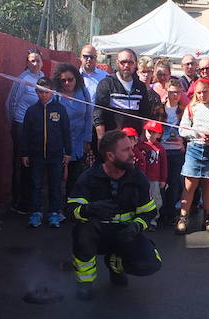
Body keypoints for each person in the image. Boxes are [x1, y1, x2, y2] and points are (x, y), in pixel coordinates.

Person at [66, 130, 161, 301]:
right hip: (98, 235)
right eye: (126, 150)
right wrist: (90, 209)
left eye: (131, 148)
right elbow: (71, 211)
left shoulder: (138, 178)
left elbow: (149, 212)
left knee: (150, 264)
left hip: (125, 234)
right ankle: (85, 283)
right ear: (110, 156)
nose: (133, 153)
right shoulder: (89, 178)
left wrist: (136, 226)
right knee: (83, 233)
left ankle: (115, 264)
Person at [22, 77, 71, 228]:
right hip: (36, 155)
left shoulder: (60, 110)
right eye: (40, 92)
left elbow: (66, 132)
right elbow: (25, 134)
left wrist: (68, 152)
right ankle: (36, 212)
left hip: (55, 156)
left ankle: (54, 213)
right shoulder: (31, 111)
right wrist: (24, 153)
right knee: (36, 185)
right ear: (36, 92)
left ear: (52, 92)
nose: (43, 95)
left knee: (55, 185)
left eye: (46, 92)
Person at [177, 78, 209, 234]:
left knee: (208, 184)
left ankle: (208, 217)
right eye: (199, 93)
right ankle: (183, 217)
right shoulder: (191, 107)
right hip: (194, 148)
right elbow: (182, 130)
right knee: (189, 185)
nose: (202, 95)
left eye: (205, 92)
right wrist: (196, 133)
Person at [5, 48, 43, 213]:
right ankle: (18, 202)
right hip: (20, 125)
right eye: (32, 60)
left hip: (36, 127)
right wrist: (13, 125)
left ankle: (30, 200)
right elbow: (10, 103)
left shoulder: (43, 78)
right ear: (27, 62)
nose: (35, 64)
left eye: (38, 60)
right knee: (20, 164)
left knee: (33, 163)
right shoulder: (22, 79)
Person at [93, 48, 151, 138]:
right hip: (113, 140)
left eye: (130, 62)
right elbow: (99, 113)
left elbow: (145, 114)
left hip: (134, 140)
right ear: (117, 63)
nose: (126, 65)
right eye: (123, 62)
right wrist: (101, 137)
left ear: (135, 64)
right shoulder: (107, 83)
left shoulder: (141, 86)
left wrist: (143, 137)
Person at [53, 64, 94, 193]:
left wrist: (87, 139)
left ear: (76, 78)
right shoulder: (55, 94)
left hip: (79, 141)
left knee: (75, 176)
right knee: (58, 177)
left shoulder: (83, 91)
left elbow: (89, 115)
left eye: (70, 79)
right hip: (60, 141)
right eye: (63, 80)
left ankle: (71, 206)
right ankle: (57, 207)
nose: (67, 83)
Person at [160, 78, 186, 227]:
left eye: (178, 92)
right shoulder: (159, 109)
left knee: (175, 182)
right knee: (161, 182)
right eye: (172, 92)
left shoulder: (184, 109)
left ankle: (170, 212)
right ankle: (162, 211)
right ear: (167, 92)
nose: (175, 95)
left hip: (177, 151)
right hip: (162, 149)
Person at [138, 120, 168, 231]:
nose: (150, 134)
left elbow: (163, 165)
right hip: (142, 178)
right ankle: (140, 218)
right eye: (149, 131)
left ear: (159, 134)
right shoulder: (140, 147)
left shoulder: (160, 148)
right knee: (141, 198)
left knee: (155, 200)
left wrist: (163, 179)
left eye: (154, 132)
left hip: (154, 179)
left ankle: (153, 219)